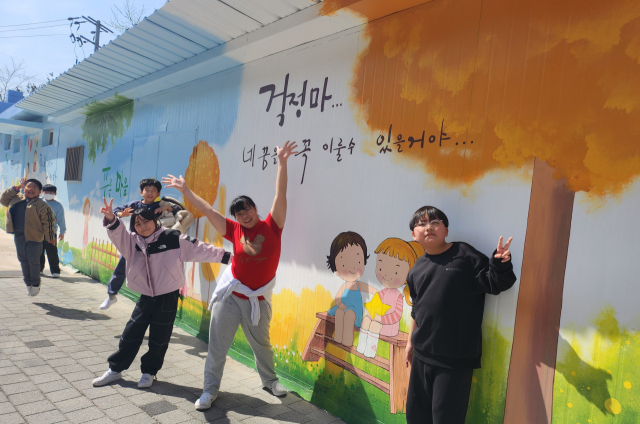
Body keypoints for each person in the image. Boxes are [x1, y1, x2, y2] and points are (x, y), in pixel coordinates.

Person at [162, 140, 298, 411]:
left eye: (246, 209)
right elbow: (210, 210)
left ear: (254, 209)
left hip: (258, 299)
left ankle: (270, 382)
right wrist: (186, 190)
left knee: (263, 345)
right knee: (217, 346)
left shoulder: (273, 226)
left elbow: (280, 196)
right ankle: (209, 390)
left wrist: (282, 163)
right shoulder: (234, 230)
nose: (243, 214)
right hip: (231, 297)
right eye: (238, 212)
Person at [92, 198, 231, 389]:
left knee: (160, 337)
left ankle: (149, 372)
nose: (142, 226)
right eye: (137, 224)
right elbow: (118, 233)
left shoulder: (172, 237)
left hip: (168, 296)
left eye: (146, 221)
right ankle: (115, 370)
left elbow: (200, 249)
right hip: (145, 297)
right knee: (130, 334)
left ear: (155, 221)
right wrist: (111, 218)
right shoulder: (132, 242)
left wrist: (228, 257)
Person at [403, 206, 515, 424]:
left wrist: (501, 262)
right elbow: (416, 307)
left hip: (455, 360)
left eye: (435, 222)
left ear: (446, 230)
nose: (429, 227)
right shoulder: (416, 268)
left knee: (446, 419)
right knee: (416, 416)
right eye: (422, 224)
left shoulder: (464, 254)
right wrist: (410, 342)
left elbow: (494, 282)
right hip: (421, 354)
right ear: (414, 235)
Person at [99, 178, 180, 310]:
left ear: (158, 194)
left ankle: (152, 301)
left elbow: (178, 210)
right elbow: (115, 212)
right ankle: (111, 296)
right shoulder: (135, 205)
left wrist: (167, 207)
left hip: (152, 246)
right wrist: (121, 214)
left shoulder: (159, 205)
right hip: (134, 243)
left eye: (153, 190)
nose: (150, 193)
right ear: (141, 192)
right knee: (121, 268)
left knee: (153, 272)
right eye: (147, 190)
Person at [357, 238, 424, 358]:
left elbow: (396, 315)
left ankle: (370, 351)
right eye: (381, 268)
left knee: (375, 325)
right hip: (378, 320)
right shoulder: (382, 292)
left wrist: (381, 319)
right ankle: (361, 346)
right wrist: (370, 313)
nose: (386, 274)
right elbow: (373, 305)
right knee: (366, 320)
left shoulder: (398, 296)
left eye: (396, 272)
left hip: (390, 327)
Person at [0, 178, 56, 297]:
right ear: (24, 188)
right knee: (23, 261)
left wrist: (50, 236)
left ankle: (35, 283)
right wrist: (15, 189)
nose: (31, 189)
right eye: (28, 187)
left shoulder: (42, 205)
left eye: (35, 187)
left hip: (34, 239)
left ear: (39, 191)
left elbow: (48, 221)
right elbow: (3, 199)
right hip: (19, 236)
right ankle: (28, 283)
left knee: (33, 262)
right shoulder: (16, 198)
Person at [325, 231, 376, 347]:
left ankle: (347, 339)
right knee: (338, 312)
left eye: (358, 261)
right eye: (344, 265)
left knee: (349, 315)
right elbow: (338, 298)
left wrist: (378, 292)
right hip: (343, 307)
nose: (353, 267)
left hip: (354, 311)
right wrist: (339, 304)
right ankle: (338, 336)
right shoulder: (344, 286)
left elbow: (370, 289)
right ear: (336, 269)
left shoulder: (358, 285)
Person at [40, 184, 66, 277]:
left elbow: (61, 220)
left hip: (51, 233)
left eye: (51, 192)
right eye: (46, 192)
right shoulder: (38, 202)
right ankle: (39, 269)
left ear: (55, 193)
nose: (48, 194)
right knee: (39, 252)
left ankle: (55, 271)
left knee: (52, 252)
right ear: (42, 192)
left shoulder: (58, 206)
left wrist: (62, 232)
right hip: (38, 233)